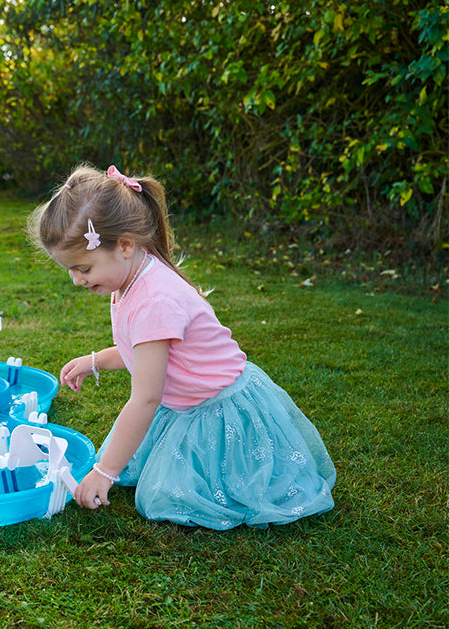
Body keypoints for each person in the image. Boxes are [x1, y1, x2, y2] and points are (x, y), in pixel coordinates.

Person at [28, 163, 336, 529]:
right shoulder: (130, 277)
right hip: (184, 402)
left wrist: (104, 472)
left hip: (216, 410)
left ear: (125, 245)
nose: (77, 280)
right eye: (70, 269)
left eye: (83, 268)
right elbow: (145, 354)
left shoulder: (154, 300)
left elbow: (146, 399)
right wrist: (95, 361)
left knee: (163, 497)